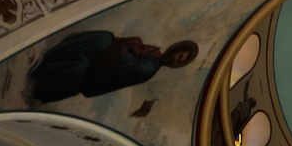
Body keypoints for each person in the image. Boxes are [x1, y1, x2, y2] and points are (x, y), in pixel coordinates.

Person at [27, 31, 198, 102]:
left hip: (100, 73)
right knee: (103, 38)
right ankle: (47, 54)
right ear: (176, 49)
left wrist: (123, 51)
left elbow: (131, 66)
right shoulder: (155, 51)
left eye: (180, 60)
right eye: (179, 55)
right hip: (109, 59)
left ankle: (40, 73)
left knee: (81, 65)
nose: (176, 59)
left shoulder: (151, 68)